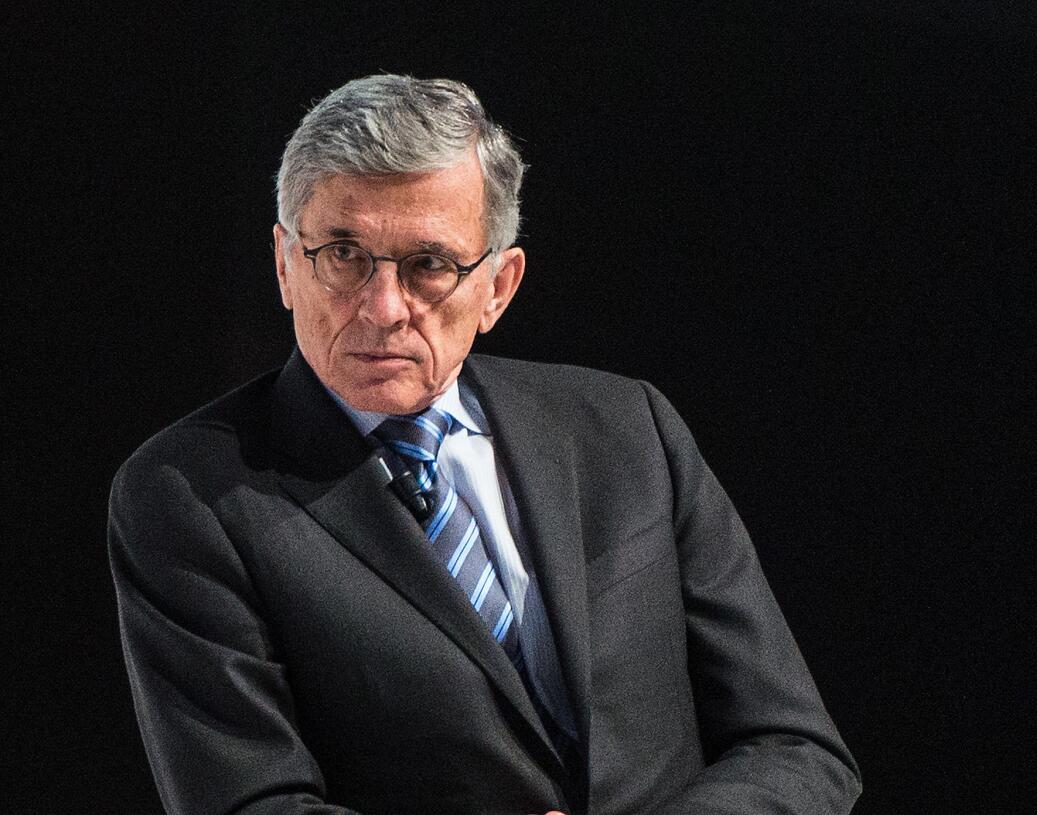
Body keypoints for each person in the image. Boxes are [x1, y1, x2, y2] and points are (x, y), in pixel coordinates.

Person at [108, 74, 861, 815]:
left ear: (499, 285)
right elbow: (252, 802)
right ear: (283, 263)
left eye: (428, 264)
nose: (382, 307)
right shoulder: (190, 492)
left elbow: (797, 747)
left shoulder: (628, 428)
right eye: (342, 254)